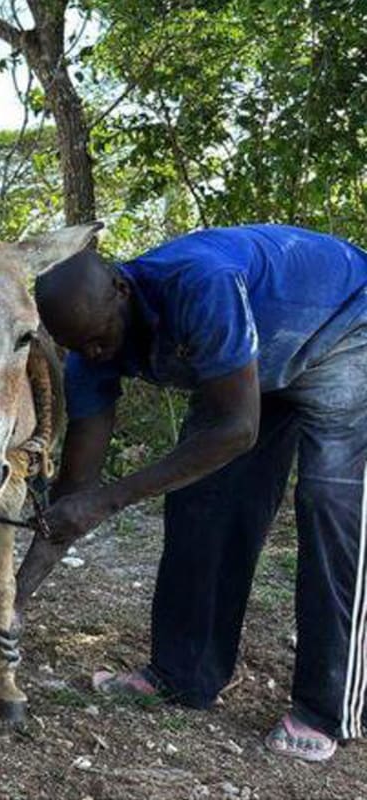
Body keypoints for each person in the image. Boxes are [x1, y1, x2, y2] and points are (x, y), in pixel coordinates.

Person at [33, 224, 367, 762]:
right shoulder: (87, 350)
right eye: (79, 347)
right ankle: (182, 674)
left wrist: (109, 500)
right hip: (255, 362)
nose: (94, 352)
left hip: (347, 328)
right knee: (202, 499)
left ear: (122, 290)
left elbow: (237, 428)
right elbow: (75, 489)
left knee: (329, 504)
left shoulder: (200, 283)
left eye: (99, 338)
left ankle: (327, 709)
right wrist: (12, 600)